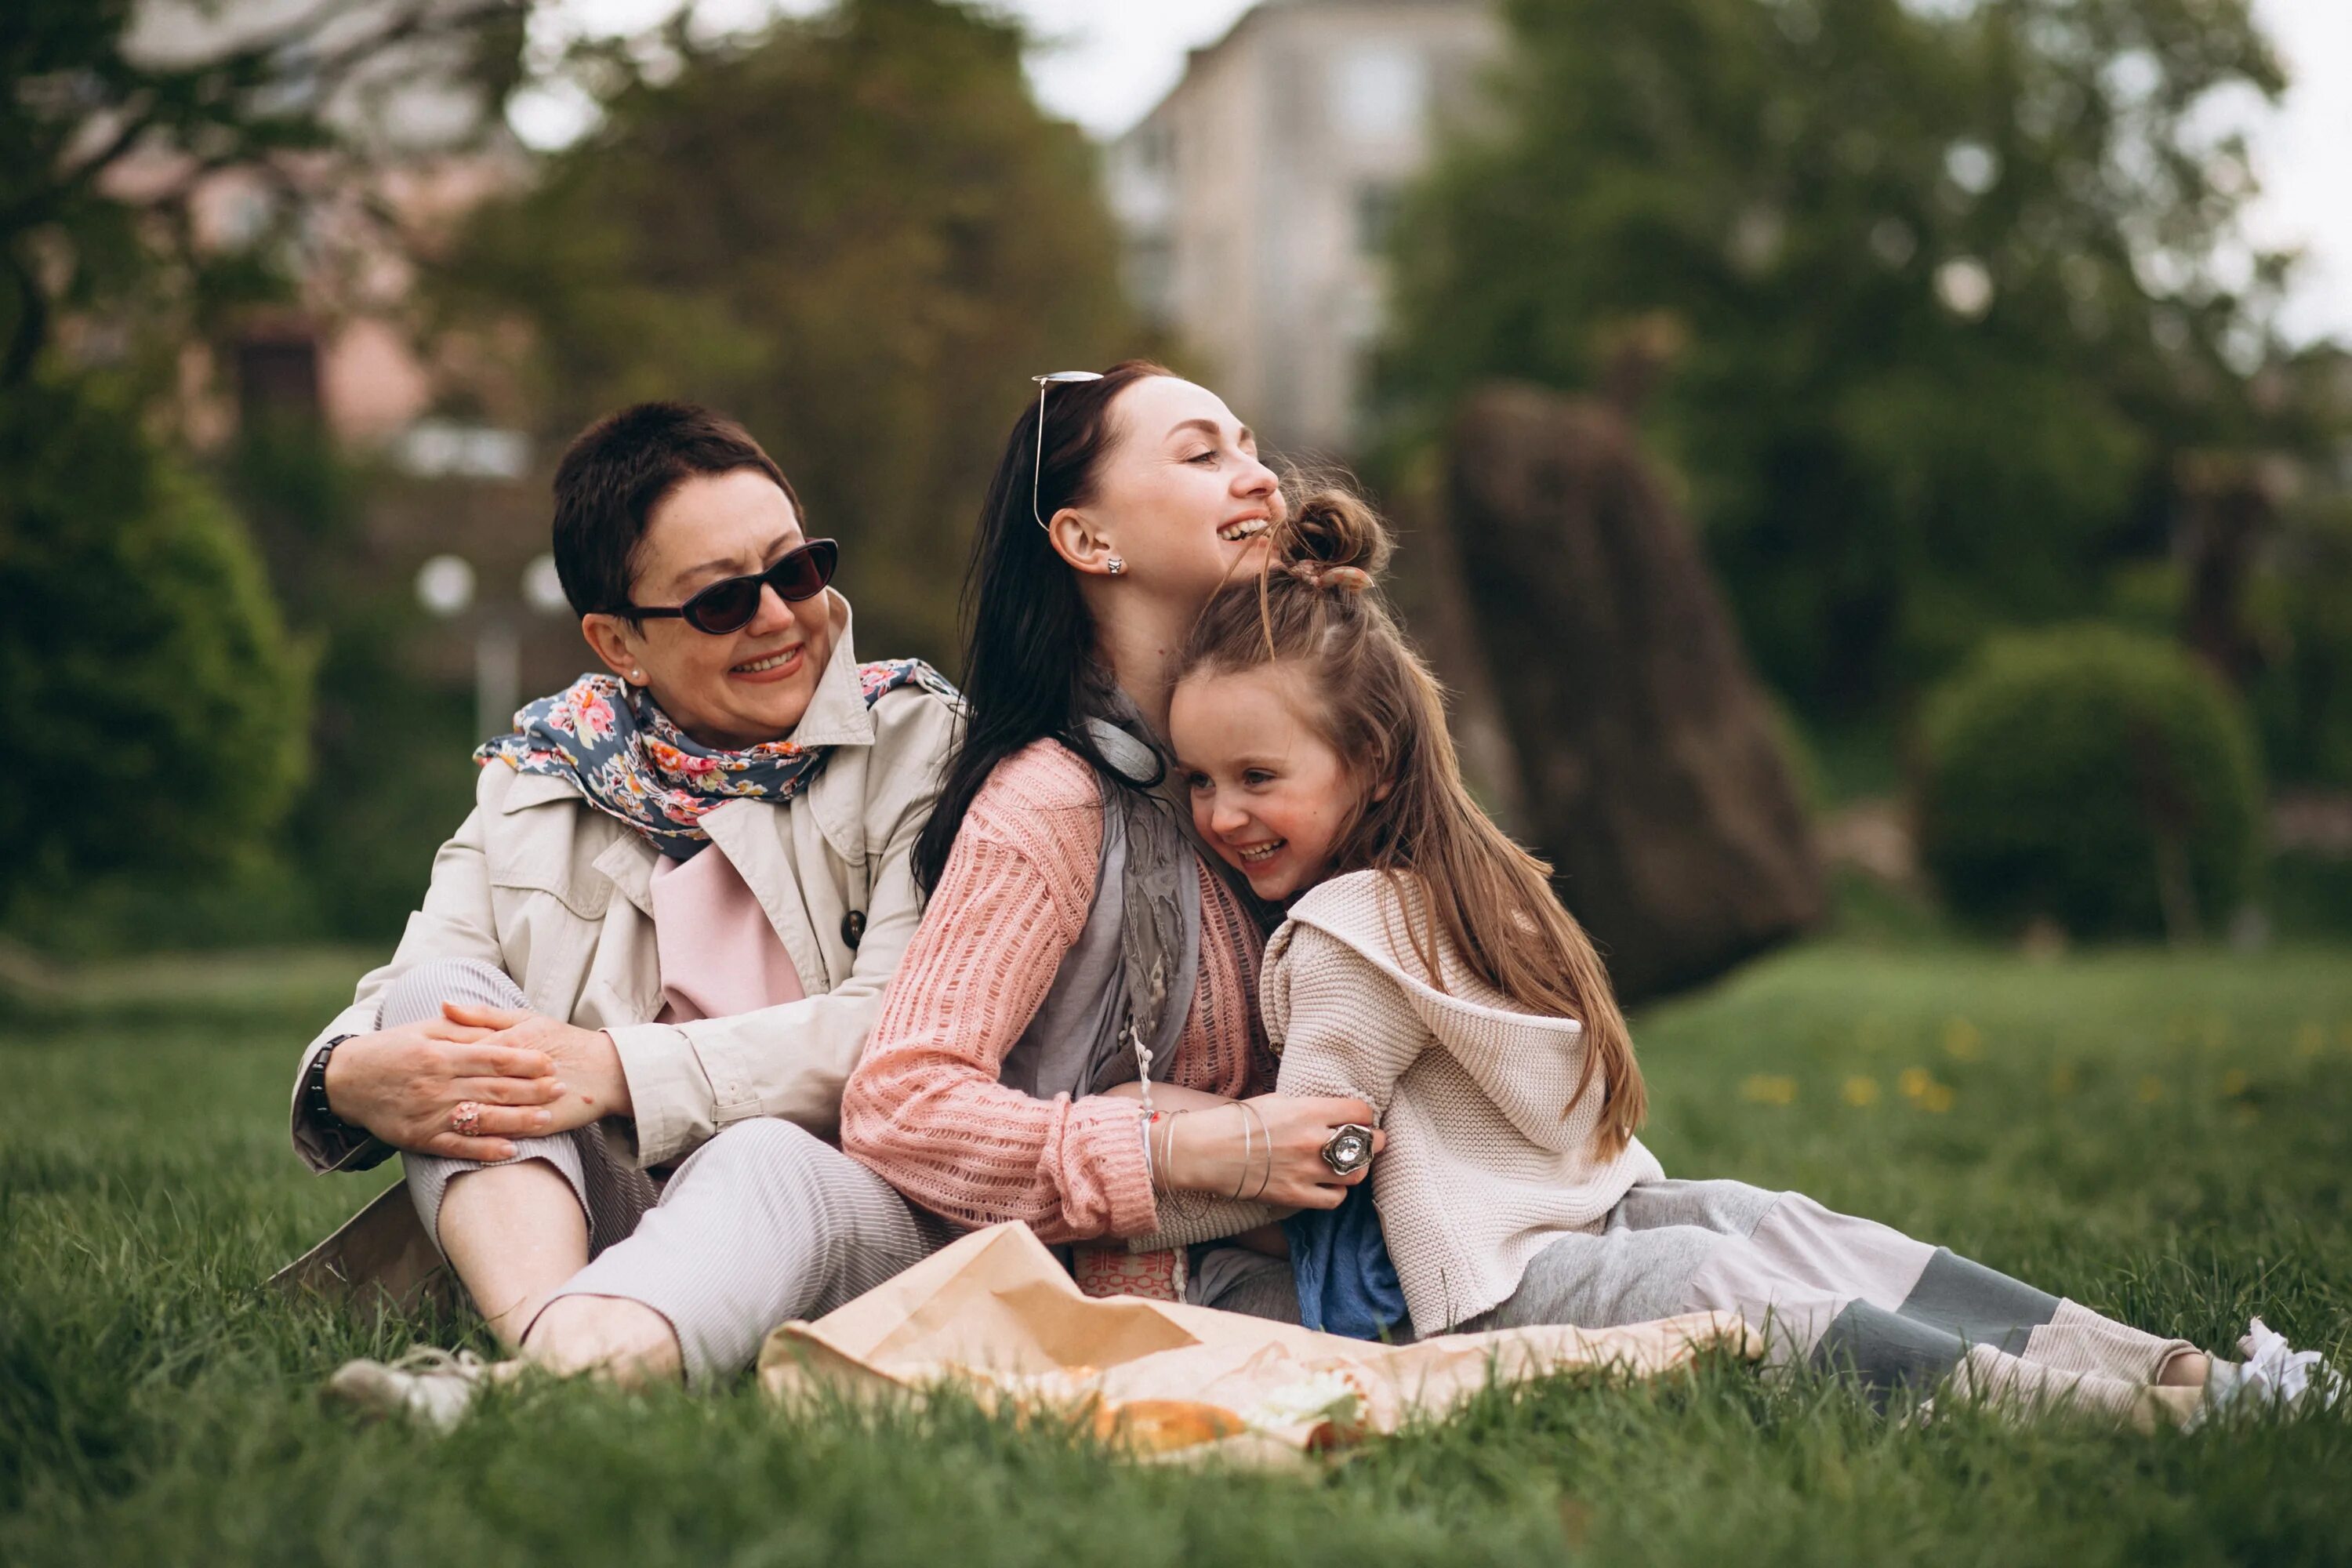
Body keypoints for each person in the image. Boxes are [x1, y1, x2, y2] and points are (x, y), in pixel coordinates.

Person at [1160, 488, 2345, 1421]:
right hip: (1527, 1259)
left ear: (1368, 760)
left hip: (1491, 1280)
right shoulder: (1459, 883)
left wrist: (1146, 1166)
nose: (1220, 814)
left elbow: (1310, 1152)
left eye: (1258, 778)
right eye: (1201, 781)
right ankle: (2172, 1390)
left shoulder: (1342, 934)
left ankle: (2162, 1400)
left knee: (1764, 1253)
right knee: (1770, 1264)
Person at [287, 402, 960, 1425]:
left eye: (795, 568)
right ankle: (566, 1354)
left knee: (760, 1153)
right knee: (435, 1005)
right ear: (618, 641)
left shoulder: (921, 741)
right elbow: (417, 979)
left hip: (849, 1198)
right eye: (723, 601)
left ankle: (534, 1385)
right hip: (610, 1198)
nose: (780, 615)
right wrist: (348, 1075)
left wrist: (608, 1070)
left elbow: (905, 1030)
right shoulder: (541, 772)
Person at [840, 362, 1382, 1313]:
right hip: (1184, 1289)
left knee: (1713, 1229)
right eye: (1203, 454)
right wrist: (1182, 1144)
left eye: (1251, 449)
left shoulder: (1315, 741)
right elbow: (901, 1109)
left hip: (1416, 1221)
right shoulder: (1054, 799)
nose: (1261, 478)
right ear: (1089, 539)